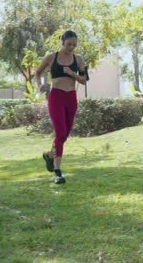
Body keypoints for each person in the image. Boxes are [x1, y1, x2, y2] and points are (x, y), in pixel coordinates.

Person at [34, 30, 89, 184]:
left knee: (65, 135)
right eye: (69, 44)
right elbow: (37, 73)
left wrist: (72, 73)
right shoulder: (51, 57)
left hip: (71, 97)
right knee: (60, 132)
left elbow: (84, 80)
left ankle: (50, 156)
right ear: (62, 42)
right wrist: (40, 85)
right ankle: (57, 172)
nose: (71, 47)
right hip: (56, 96)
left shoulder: (78, 59)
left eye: (74, 44)